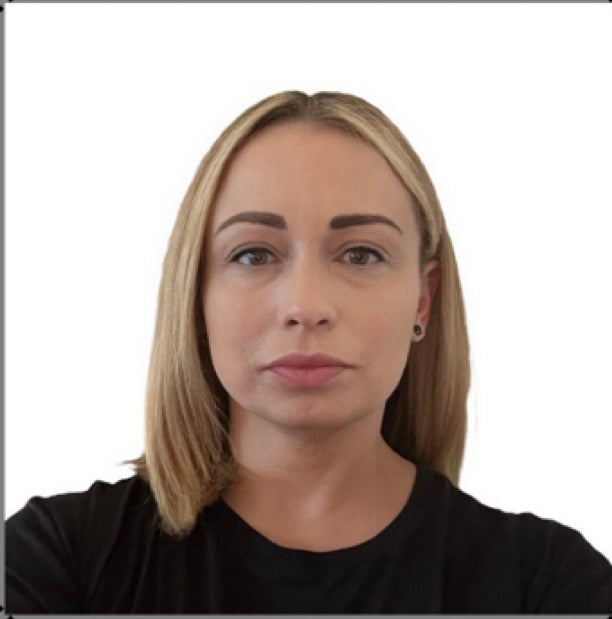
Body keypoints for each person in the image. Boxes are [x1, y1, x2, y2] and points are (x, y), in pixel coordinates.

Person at [5, 91, 612, 613]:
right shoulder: (56, 563)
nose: (306, 305)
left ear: (423, 300)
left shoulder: (548, 586)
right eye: (254, 254)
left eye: (361, 254)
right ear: (196, 296)